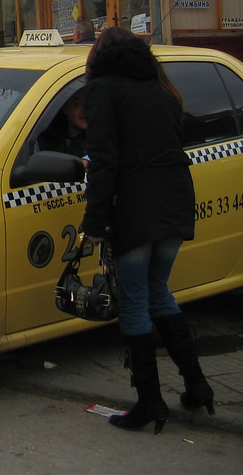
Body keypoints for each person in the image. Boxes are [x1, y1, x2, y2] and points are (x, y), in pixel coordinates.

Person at [81, 27, 211, 433]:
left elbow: (104, 160)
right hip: (175, 200)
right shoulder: (161, 89)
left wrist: (95, 221)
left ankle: (150, 402)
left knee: (135, 301)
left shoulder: (102, 90)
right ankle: (197, 387)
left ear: (99, 56)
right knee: (158, 291)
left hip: (136, 207)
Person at [36, 89, 87, 159]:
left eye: (89, 104)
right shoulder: (45, 141)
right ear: (65, 108)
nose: (84, 110)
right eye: (78, 104)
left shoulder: (101, 141)